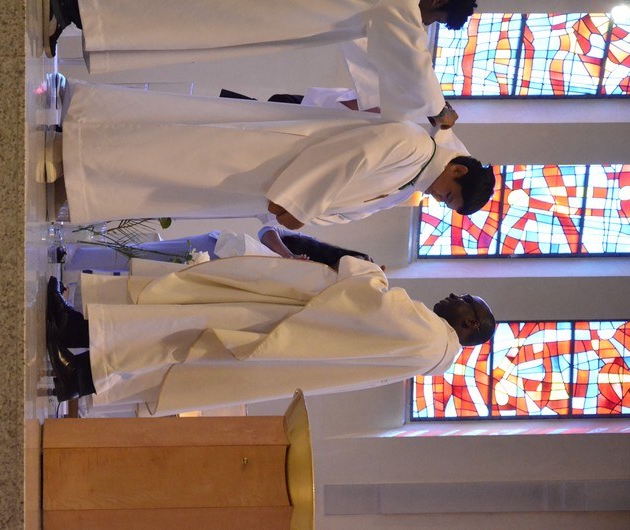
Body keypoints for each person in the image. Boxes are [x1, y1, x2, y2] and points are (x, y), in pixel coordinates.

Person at [45, 256, 495, 414]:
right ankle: (77, 335)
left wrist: (371, 271)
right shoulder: (432, 349)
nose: (454, 296)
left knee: (178, 332)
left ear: (469, 324)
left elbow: (373, 303)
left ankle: (80, 374)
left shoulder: (432, 337)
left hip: (288, 326)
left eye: (464, 300)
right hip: (300, 331)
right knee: (177, 326)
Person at [59, 79, 495, 227]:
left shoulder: (409, 183)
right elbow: (353, 156)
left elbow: (348, 211)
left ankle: (84, 172)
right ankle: (80, 148)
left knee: (175, 180)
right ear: (457, 170)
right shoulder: (417, 143)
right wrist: (301, 202)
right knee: (176, 153)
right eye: (449, 196)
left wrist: (306, 210)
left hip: (269, 184)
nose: (439, 199)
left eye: (447, 204)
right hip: (275, 157)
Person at [44, 0, 477, 128]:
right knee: (179, 15)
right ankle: (77, 9)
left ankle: (80, 16)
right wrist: (437, 108)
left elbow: (383, 52)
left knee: (181, 21)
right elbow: (410, 56)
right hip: (272, 11)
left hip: (280, 16)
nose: (425, 23)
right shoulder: (400, 3)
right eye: (433, 17)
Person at [66, 226, 374, 272]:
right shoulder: (311, 250)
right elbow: (267, 230)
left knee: (141, 271)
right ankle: (75, 257)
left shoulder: (322, 287)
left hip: (223, 274)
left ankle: (78, 264)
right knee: (145, 253)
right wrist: (288, 256)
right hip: (221, 249)